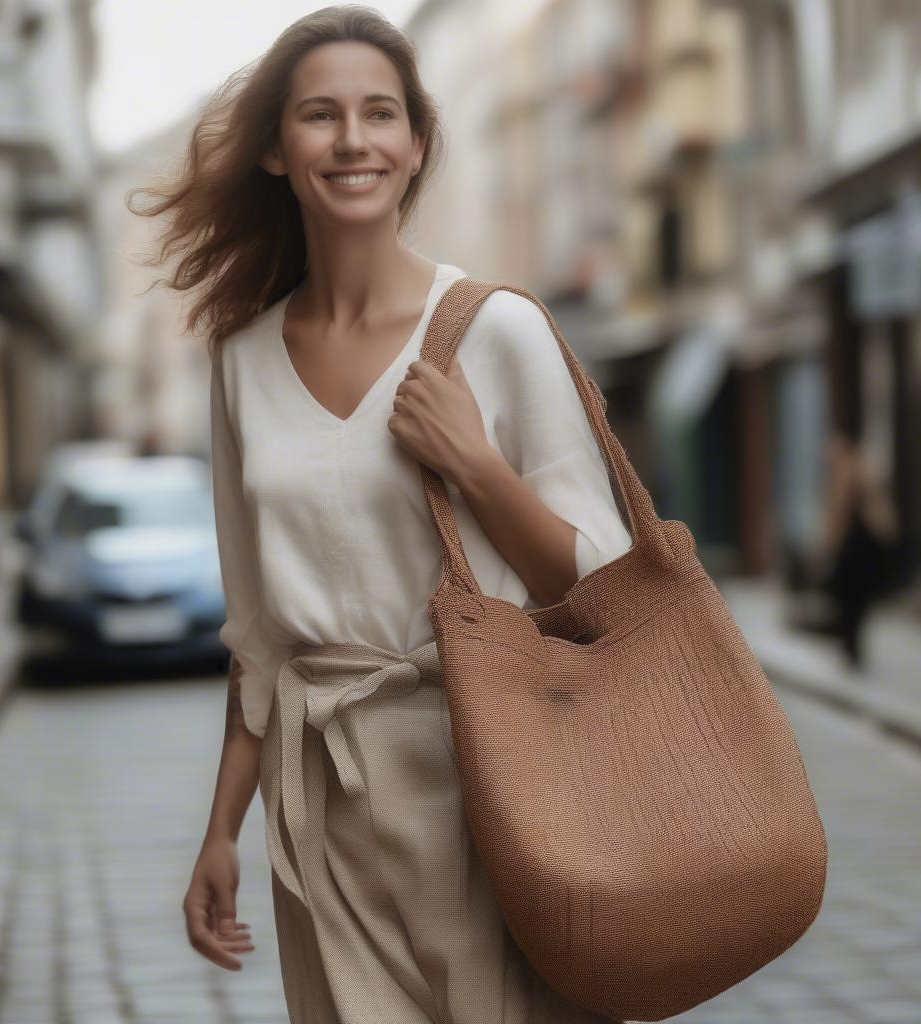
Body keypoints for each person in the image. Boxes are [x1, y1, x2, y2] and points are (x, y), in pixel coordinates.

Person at [129, 6, 631, 1021]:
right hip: (323, 812)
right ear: (275, 149)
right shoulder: (239, 361)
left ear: (414, 146)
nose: (351, 140)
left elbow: (600, 586)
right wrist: (222, 830)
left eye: (378, 115)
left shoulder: (499, 330)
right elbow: (258, 637)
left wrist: (476, 465)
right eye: (320, 116)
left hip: (495, 784)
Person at [818, 432, 900, 672]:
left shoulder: (847, 471)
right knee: (858, 599)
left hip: (854, 547)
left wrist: (828, 546)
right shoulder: (868, 467)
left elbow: (839, 513)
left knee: (848, 599)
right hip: (869, 544)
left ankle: (851, 649)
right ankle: (853, 648)